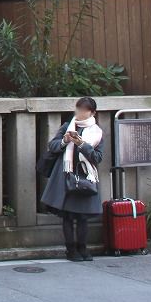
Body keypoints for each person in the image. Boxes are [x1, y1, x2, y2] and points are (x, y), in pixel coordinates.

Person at [40, 96, 105, 262]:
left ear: (92, 112)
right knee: (68, 216)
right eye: (78, 109)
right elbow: (52, 146)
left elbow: (97, 157)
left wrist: (82, 144)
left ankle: (83, 248)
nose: (80, 113)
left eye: (84, 110)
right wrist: (65, 140)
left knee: (83, 217)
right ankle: (70, 250)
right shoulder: (67, 126)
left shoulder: (97, 132)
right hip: (66, 175)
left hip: (86, 176)